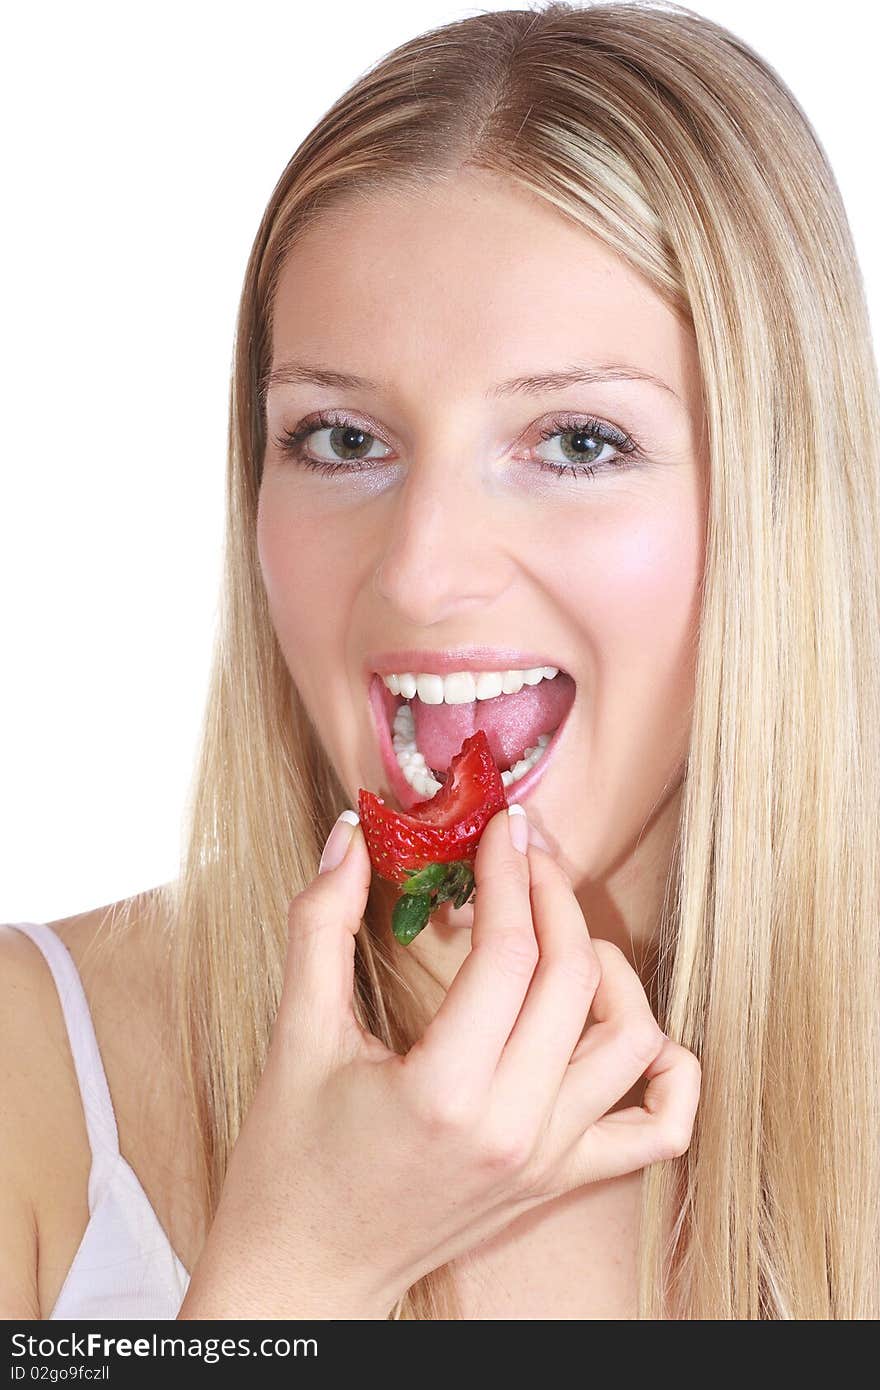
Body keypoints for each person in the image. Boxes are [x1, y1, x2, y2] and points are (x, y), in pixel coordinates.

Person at [2, 0, 878, 1321]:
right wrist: (300, 1272)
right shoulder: (32, 1073)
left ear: (781, 502)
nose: (418, 567)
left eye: (579, 442)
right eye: (343, 439)